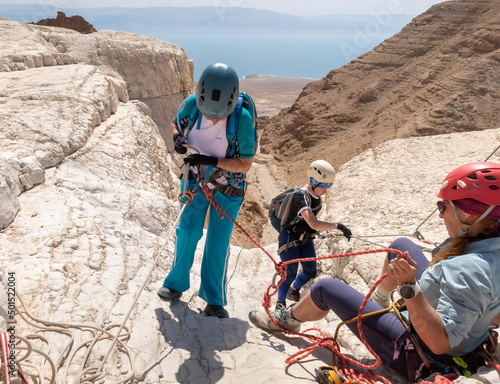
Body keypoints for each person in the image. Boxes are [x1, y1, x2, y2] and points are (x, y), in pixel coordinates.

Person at [249, 162, 500, 380]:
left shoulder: (469, 270)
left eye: (444, 207)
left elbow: (439, 342)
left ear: (468, 214)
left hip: (422, 353)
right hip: (461, 332)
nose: (440, 215)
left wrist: (409, 288)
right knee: (401, 246)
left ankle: (288, 320)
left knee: (325, 288)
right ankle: (378, 302)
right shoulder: (490, 247)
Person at [158, 63, 255, 318]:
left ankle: (214, 300)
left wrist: (213, 162)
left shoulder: (241, 120)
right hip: (194, 180)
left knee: (218, 242)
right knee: (187, 231)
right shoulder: (192, 105)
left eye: (218, 115)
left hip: (228, 186)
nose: (211, 119)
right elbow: (174, 124)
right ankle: (175, 284)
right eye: (208, 113)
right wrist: (177, 137)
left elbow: (244, 164)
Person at [270, 160, 352, 310]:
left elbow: (310, 224)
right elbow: (313, 223)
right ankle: (279, 304)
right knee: (290, 273)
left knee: (310, 271)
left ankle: (292, 291)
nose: (326, 190)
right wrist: (337, 226)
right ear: (314, 181)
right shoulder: (300, 197)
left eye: (329, 186)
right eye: (324, 186)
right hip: (289, 238)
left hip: (305, 238)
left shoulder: (315, 195)